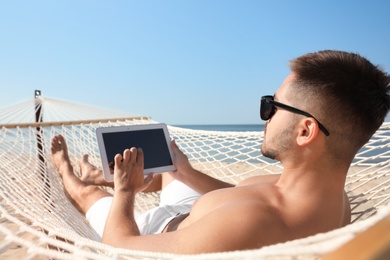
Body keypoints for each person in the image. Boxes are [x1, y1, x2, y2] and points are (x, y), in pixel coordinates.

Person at [51, 50, 390, 254]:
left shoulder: (251, 224)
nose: (265, 116)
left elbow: (119, 247)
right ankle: (115, 175)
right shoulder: (329, 196)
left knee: (90, 194)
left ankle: (74, 175)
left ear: (305, 131)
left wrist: (125, 191)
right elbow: (240, 196)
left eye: (271, 106)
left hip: (154, 231)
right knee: (170, 170)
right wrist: (187, 172)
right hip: (200, 215)